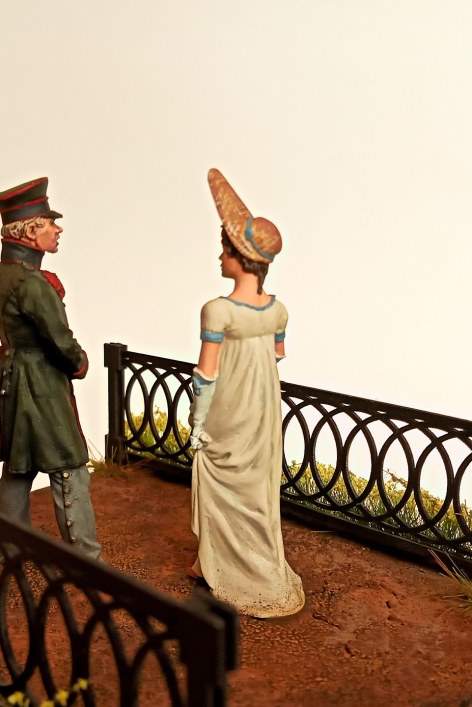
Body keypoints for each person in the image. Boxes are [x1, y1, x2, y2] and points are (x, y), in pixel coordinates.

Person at [188, 168, 304, 617]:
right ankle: (213, 561)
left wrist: (198, 422)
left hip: (227, 407)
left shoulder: (217, 310)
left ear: (240, 257)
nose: (220, 256)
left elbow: (206, 375)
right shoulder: (278, 310)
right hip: (262, 410)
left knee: (216, 478)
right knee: (255, 489)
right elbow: (276, 357)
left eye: (225, 249)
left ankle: (229, 568)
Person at [0, 177, 101, 559]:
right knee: (69, 465)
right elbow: (60, 341)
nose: (57, 229)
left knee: (19, 464)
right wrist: (80, 362)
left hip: (10, 376)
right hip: (40, 382)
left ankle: (11, 545)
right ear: (30, 231)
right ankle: (87, 559)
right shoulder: (32, 284)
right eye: (49, 223)